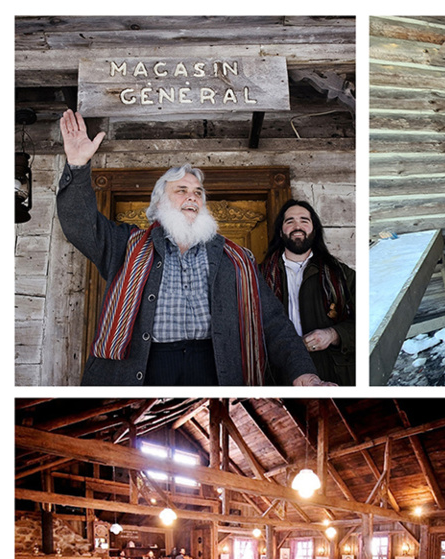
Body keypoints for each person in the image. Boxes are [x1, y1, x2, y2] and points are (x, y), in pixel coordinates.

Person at [56, 109, 325, 386]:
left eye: (198, 193)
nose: (192, 197)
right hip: (147, 367)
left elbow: (273, 321)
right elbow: (79, 226)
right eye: (181, 190)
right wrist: (77, 166)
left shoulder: (235, 259)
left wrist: (302, 372)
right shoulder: (126, 245)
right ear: (160, 204)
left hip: (215, 369)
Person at [259, 199, 355, 385]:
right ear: (281, 231)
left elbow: (368, 321)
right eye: (290, 221)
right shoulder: (258, 277)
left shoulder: (341, 274)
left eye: (304, 220)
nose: (297, 226)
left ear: (314, 230)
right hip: (278, 375)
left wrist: (334, 334)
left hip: (333, 371)